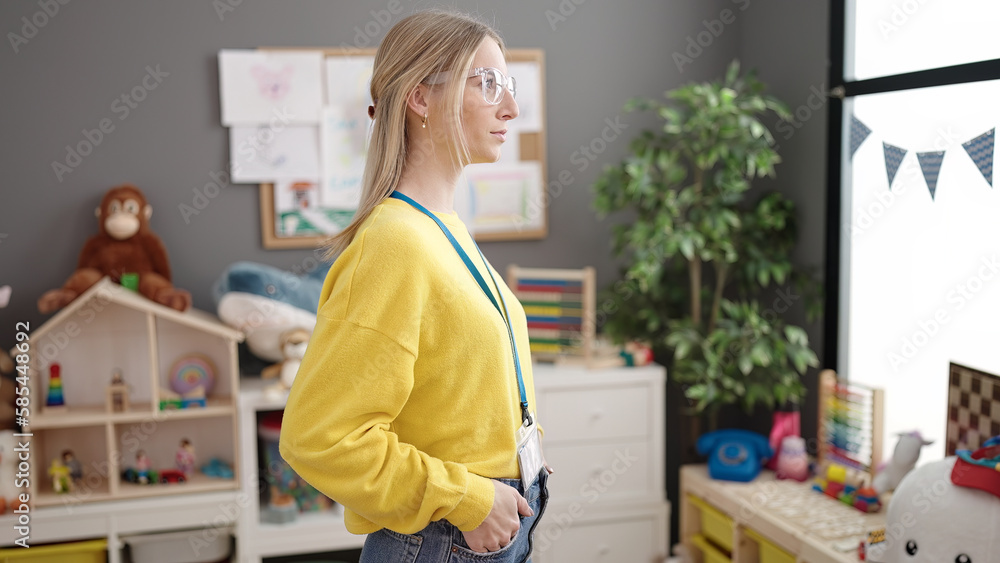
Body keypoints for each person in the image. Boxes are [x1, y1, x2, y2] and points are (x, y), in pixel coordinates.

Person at [279, 9, 551, 563]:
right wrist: (469, 497)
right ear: (421, 99)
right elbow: (319, 438)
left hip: (490, 526)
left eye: (509, 84)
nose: (511, 108)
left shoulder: (440, 227)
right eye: (488, 83)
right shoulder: (394, 244)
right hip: (442, 541)